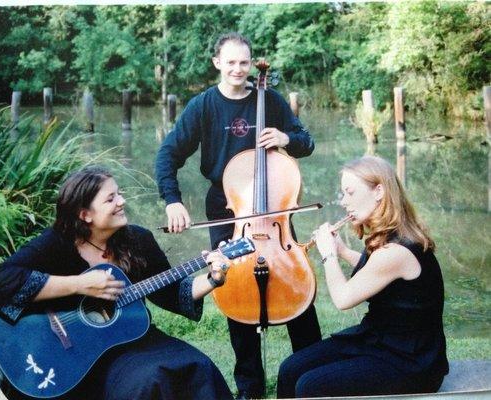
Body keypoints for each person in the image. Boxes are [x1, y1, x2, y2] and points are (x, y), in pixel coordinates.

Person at [155, 32, 321, 399]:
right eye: (230, 62)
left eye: (244, 62)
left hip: (275, 205)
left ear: (252, 64)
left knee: (296, 282)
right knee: (235, 286)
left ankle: (311, 373)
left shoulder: (271, 100)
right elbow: (168, 154)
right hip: (228, 207)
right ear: (217, 63)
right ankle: (249, 385)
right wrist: (172, 200)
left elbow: (306, 142)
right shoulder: (203, 106)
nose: (237, 69)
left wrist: (285, 139)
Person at [0, 166, 234, 400]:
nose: (121, 202)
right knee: (149, 381)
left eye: (120, 194)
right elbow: (2, 284)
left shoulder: (138, 240)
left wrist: (213, 278)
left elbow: (173, 292)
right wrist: (79, 284)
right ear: (85, 214)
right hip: (81, 355)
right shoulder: (57, 243)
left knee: (198, 367)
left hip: (132, 336)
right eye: (110, 198)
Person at [277, 156, 449, 398]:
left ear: (379, 191)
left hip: (410, 361)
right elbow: (375, 273)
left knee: (309, 385)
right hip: (378, 339)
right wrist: (342, 250)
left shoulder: (396, 251)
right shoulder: (390, 235)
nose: (344, 202)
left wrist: (328, 256)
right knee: (290, 369)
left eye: (350, 193)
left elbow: (343, 299)